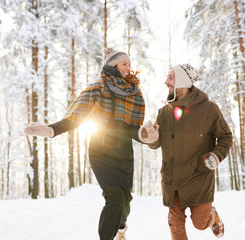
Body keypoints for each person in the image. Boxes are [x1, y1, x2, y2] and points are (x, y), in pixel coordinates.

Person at [24, 48, 145, 240]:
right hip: (101, 150)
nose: (128, 68)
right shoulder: (98, 87)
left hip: (124, 153)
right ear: (113, 65)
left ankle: (121, 228)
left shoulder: (134, 93)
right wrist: (51, 129)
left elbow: (135, 130)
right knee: (114, 198)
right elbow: (76, 115)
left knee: (125, 201)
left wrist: (149, 135)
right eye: (124, 64)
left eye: (129, 64)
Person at [138, 64, 232, 239]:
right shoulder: (164, 112)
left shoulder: (209, 109)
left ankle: (213, 216)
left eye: (171, 78)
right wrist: (150, 139)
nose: (166, 82)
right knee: (176, 225)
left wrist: (216, 155)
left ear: (184, 81)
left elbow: (226, 136)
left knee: (200, 224)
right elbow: (157, 140)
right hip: (172, 180)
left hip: (199, 178)